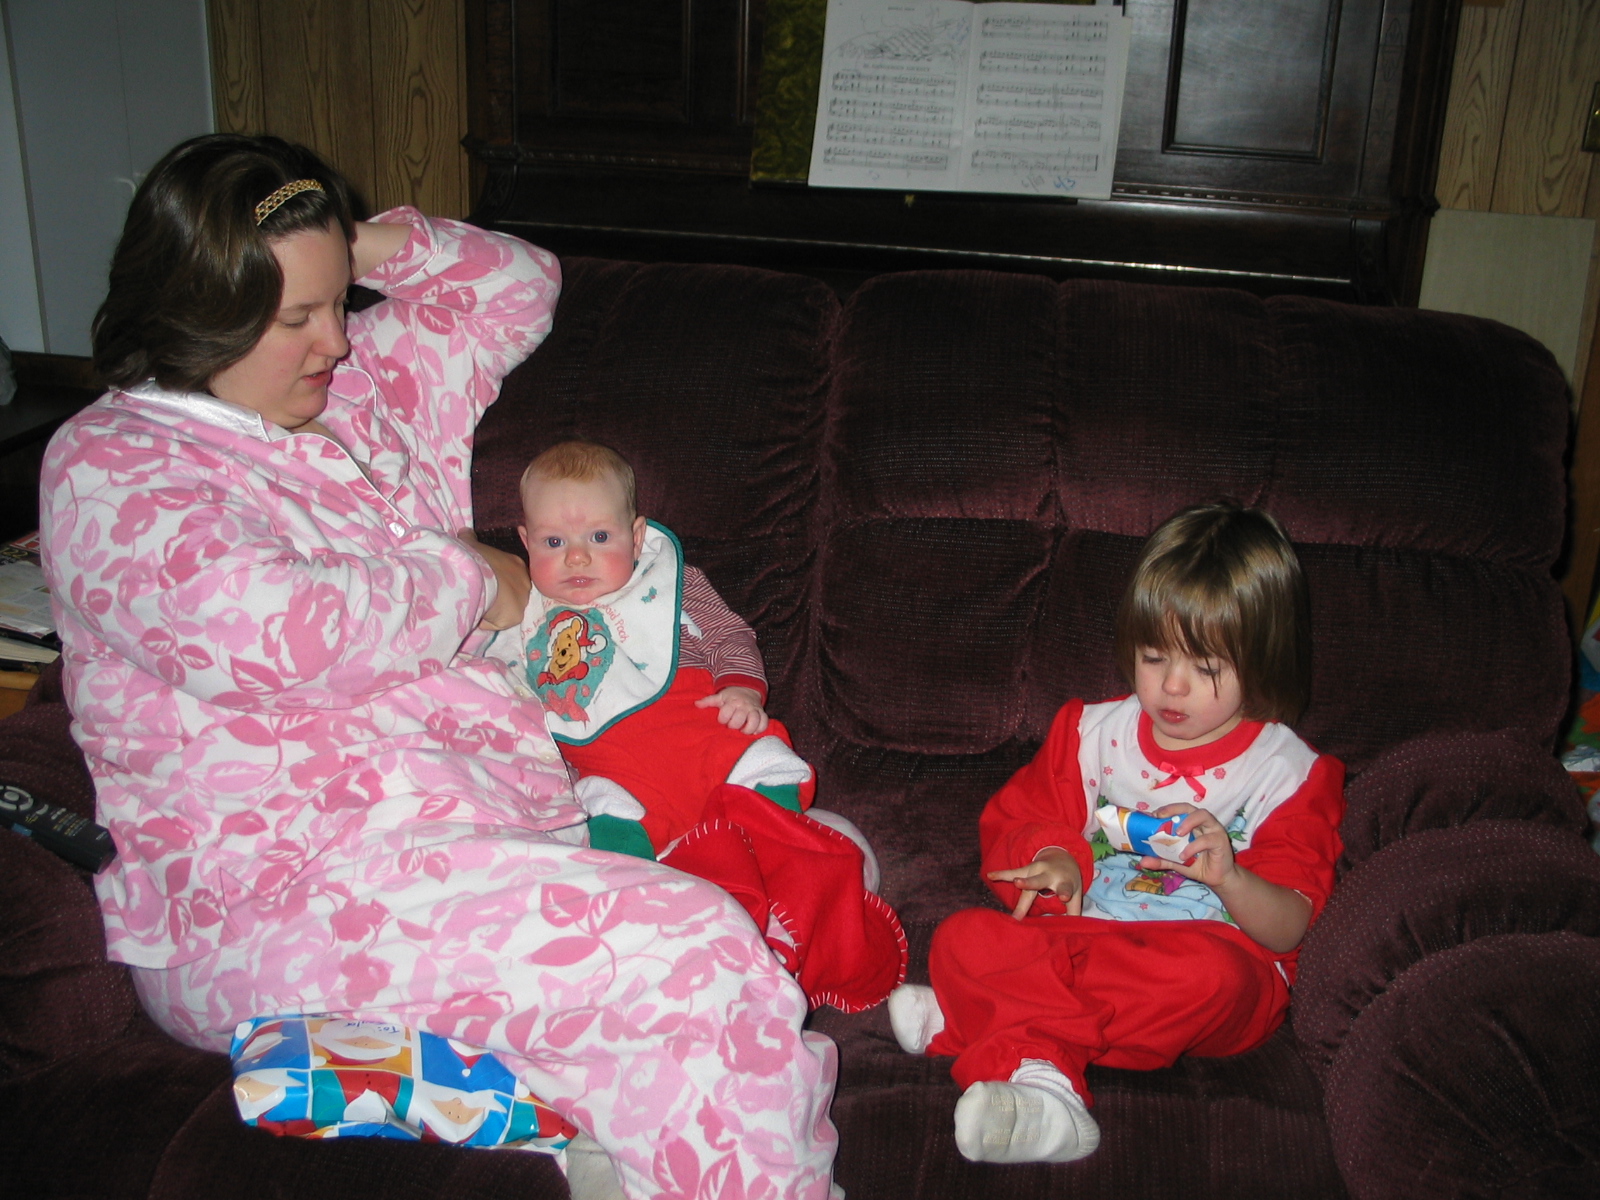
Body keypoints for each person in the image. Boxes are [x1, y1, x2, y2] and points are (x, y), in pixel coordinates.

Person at [39, 133, 841, 1200]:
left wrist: (343, 241)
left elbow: (519, 286)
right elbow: (278, 637)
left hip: (481, 844)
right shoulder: (110, 464)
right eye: (297, 317)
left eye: (338, 301)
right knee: (695, 948)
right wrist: (472, 576)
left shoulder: (359, 389)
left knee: (730, 951)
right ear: (200, 309)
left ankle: (579, 1129)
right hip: (277, 896)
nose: (336, 339)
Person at [885, 502, 1344, 1165]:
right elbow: (1021, 819)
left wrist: (1231, 877)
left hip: (1205, 958)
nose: (1173, 685)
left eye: (1206, 668)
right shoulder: (1092, 734)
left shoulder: (1288, 773)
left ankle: (996, 1037)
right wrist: (1055, 859)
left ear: (1265, 660)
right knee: (962, 936)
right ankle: (1026, 1060)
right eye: (1155, 656)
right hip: (1083, 941)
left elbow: (1290, 927)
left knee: (1211, 979)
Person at [500, 440, 906, 1013]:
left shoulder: (673, 584)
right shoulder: (527, 619)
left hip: (704, 743)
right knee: (601, 826)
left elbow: (726, 634)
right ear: (524, 541)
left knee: (761, 760)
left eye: (600, 536)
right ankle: (646, 928)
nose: (578, 558)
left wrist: (741, 687)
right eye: (553, 542)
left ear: (637, 536)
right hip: (620, 780)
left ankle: (784, 867)